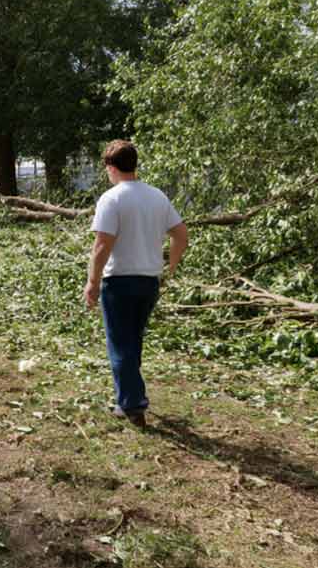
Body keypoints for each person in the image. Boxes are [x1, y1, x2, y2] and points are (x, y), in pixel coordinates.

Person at [83, 140, 189, 428]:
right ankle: (126, 398)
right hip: (149, 281)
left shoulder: (112, 198)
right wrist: (171, 267)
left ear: (111, 167)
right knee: (133, 342)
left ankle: (132, 405)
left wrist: (92, 282)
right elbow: (181, 235)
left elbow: (102, 244)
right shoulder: (157, 196)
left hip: (119, 282)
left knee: (120, 345)